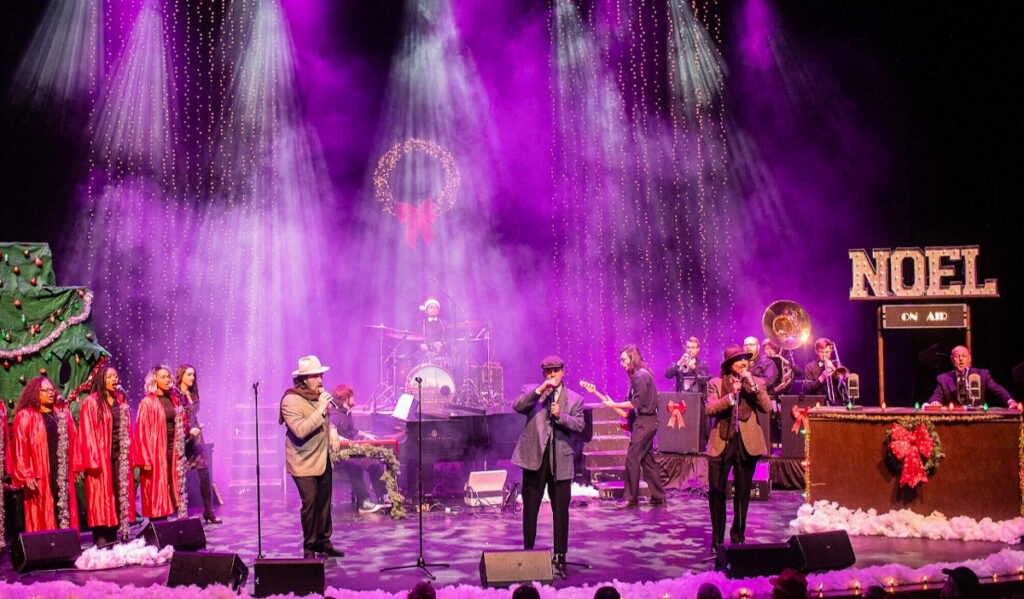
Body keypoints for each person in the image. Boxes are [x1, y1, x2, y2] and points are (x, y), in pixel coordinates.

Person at [511, 355, 585, 579]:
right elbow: (517, 405)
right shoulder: (533, 391)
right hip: (534, 459)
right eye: (547, 372)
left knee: (561, 512)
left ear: (563, 372)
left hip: (560, 460)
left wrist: (560, 416)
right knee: (530, 510)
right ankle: (529, 553)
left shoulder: (574, 398)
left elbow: (580, 424)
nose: (551, 375)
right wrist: (540, 390)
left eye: (555, 371)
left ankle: (560, 556)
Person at [706, 345, 771, 548]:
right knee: (716, 491)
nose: (744, 362)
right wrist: (731, 397)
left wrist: (751, 384)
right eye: (739, 360)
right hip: (722, 441)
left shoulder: (758, 382)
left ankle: (738, 537)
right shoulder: (715, 383)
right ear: (729, 365)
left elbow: (767, 408)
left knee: (742, 494)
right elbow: (710, 408)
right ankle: (717, 539)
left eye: (746, 359)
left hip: (746, 443)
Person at [279, 355, 345, 558]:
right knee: (311, 502)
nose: (321, 380)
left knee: (325, 502)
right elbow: (300, 430)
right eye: (316, 376)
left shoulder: (318, 397)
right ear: (304, 379)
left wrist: (332, 428)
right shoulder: (290, 400)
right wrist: (319, 410)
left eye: (321, 375)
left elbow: (324, 421)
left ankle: (324, 542)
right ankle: (309, 547)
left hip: (322, 458)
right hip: (303, 461)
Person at [11, 376, 82, 532]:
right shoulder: (25, 416)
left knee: (63, 509)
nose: (51, 393)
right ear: (36, 392)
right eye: (46, 390)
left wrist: (76, 467)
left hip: (61, 470)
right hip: (40, 474)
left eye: (52, 390)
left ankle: (66, 547)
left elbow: (74, 438)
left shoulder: (62, 412)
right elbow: (19, 448)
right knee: (43, 512)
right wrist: (25, 473)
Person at [604, 345, 666, 510]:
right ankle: (659, 497)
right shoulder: (642, 376)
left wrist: (614, 404)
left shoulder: (640, 377)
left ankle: (630, 499)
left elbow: (636, 403)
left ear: (632, 358)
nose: (622, 363)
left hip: (645, 422)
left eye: (624, 359)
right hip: (648, 422)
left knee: (632, 458)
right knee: (647, 461)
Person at [79, 365, 135, 545]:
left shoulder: (120, 400)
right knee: (100, 494)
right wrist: (92, 458)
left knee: (119, 492)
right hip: (100, 455)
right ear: (101, 379)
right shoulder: (92, 401)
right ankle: (100, 534)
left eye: (116, 376)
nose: (114, 379)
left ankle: (114, 532)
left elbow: (127, 428)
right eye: (110, 377)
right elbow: (87, 431)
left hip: (119, 453)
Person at [134, 365, 186, 520]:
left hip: (173, 449)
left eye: (169, 376)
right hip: (156, 451)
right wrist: (145, 459)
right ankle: (157, 523)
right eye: (163, 377)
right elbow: (141, 432)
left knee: (172, 484)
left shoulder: (174, 400)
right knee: (157, 488)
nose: (168, 379)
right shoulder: (148, 402)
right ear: (154, 379)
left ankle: (169, 522)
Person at [176, 365, 222, 523]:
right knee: (180, 474)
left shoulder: (193, 393)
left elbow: (193, 415)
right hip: (183, 435)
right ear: (181, 375)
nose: (192, 378)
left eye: (193, 375)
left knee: (204, 472)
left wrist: (196, 428)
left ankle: (208, 511)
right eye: (189, 374)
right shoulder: (177, 395)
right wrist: (188, 430)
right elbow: (178, 417)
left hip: (196, 435)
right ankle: (179, 511)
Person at [330, 384, 385, 514]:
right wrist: (347, 442)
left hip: (348, 455)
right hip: (339, 459)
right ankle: (363, 502)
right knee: (356, 466)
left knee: (374, 463)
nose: (354, 398)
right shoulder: (335, 415)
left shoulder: (346, 413)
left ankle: (383, 497)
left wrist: (366, 435)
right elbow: (330, 432)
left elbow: (351, 430)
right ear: (346, 399)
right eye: (352, 396)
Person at [929, 346, 1016, 408]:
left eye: (964, 356)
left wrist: (1010, 401)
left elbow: (997, 390)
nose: (960, 359)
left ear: (969, 358)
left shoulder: (982, 375)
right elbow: (936, 397)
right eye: (957, 356)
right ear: (952, 359)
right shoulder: (944, 379)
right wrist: (935, 402)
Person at [803, 338, 844, 403]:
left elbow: (844, 383)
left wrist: (834, 369)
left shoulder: (836, 364)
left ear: (831, 351)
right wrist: (822, 377)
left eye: (827, 352)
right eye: (821, 352)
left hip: (837, 403)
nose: (824, 355)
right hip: (818, 404)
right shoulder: (809, 367)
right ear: (816, 351)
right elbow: (808, 389)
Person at [418, 296, 449, 363]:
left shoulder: (444, 323)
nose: (433, 309)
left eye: (436, 308)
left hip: (441, 356)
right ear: (426, 311)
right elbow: (414, 338)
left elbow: (449, 338)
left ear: (438, 311)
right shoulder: (421, 323)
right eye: (431, 307)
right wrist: (420, 345)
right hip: (425, 355)